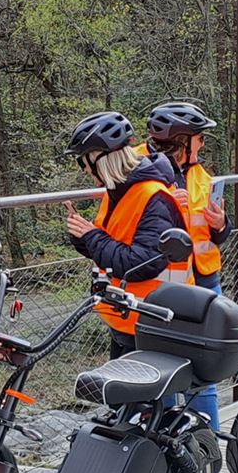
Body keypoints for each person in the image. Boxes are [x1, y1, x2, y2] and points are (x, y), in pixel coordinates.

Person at [146, 99, 231, 473]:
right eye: (198, 138)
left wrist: (221, 224)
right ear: (182, 141)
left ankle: (207, 465)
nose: (203, 144)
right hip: (159, 288)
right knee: (161, 376)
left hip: (203, 284)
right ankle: (165, 464)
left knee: (203, 376)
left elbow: (216, 235)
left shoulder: (202, 177)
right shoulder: (141, 170)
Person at [61, 111, 194, 359]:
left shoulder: (153, 197)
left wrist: (92, 236)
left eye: (83, 162)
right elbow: (109, 244)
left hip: (152, 319)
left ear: (99, 160)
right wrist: (82, 235)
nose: (84, 170)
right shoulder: (117, 191)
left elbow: (142, 262)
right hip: (126, 315)